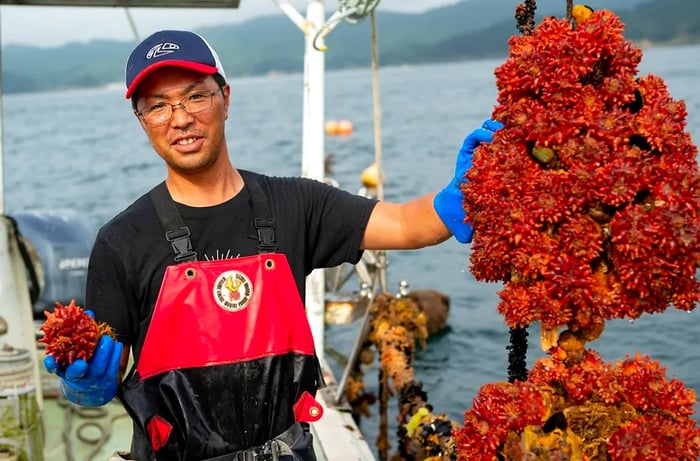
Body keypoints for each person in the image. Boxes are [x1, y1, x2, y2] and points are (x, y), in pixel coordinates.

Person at [43, 30, 502, 461]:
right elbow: (101, 358)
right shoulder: (121, 240)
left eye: (195, 96)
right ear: (141, 120)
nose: (180, 118)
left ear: (225, 98)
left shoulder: (297, 204)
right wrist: (83, 385)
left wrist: (462, 193)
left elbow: (407, 225)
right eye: (158, 106)